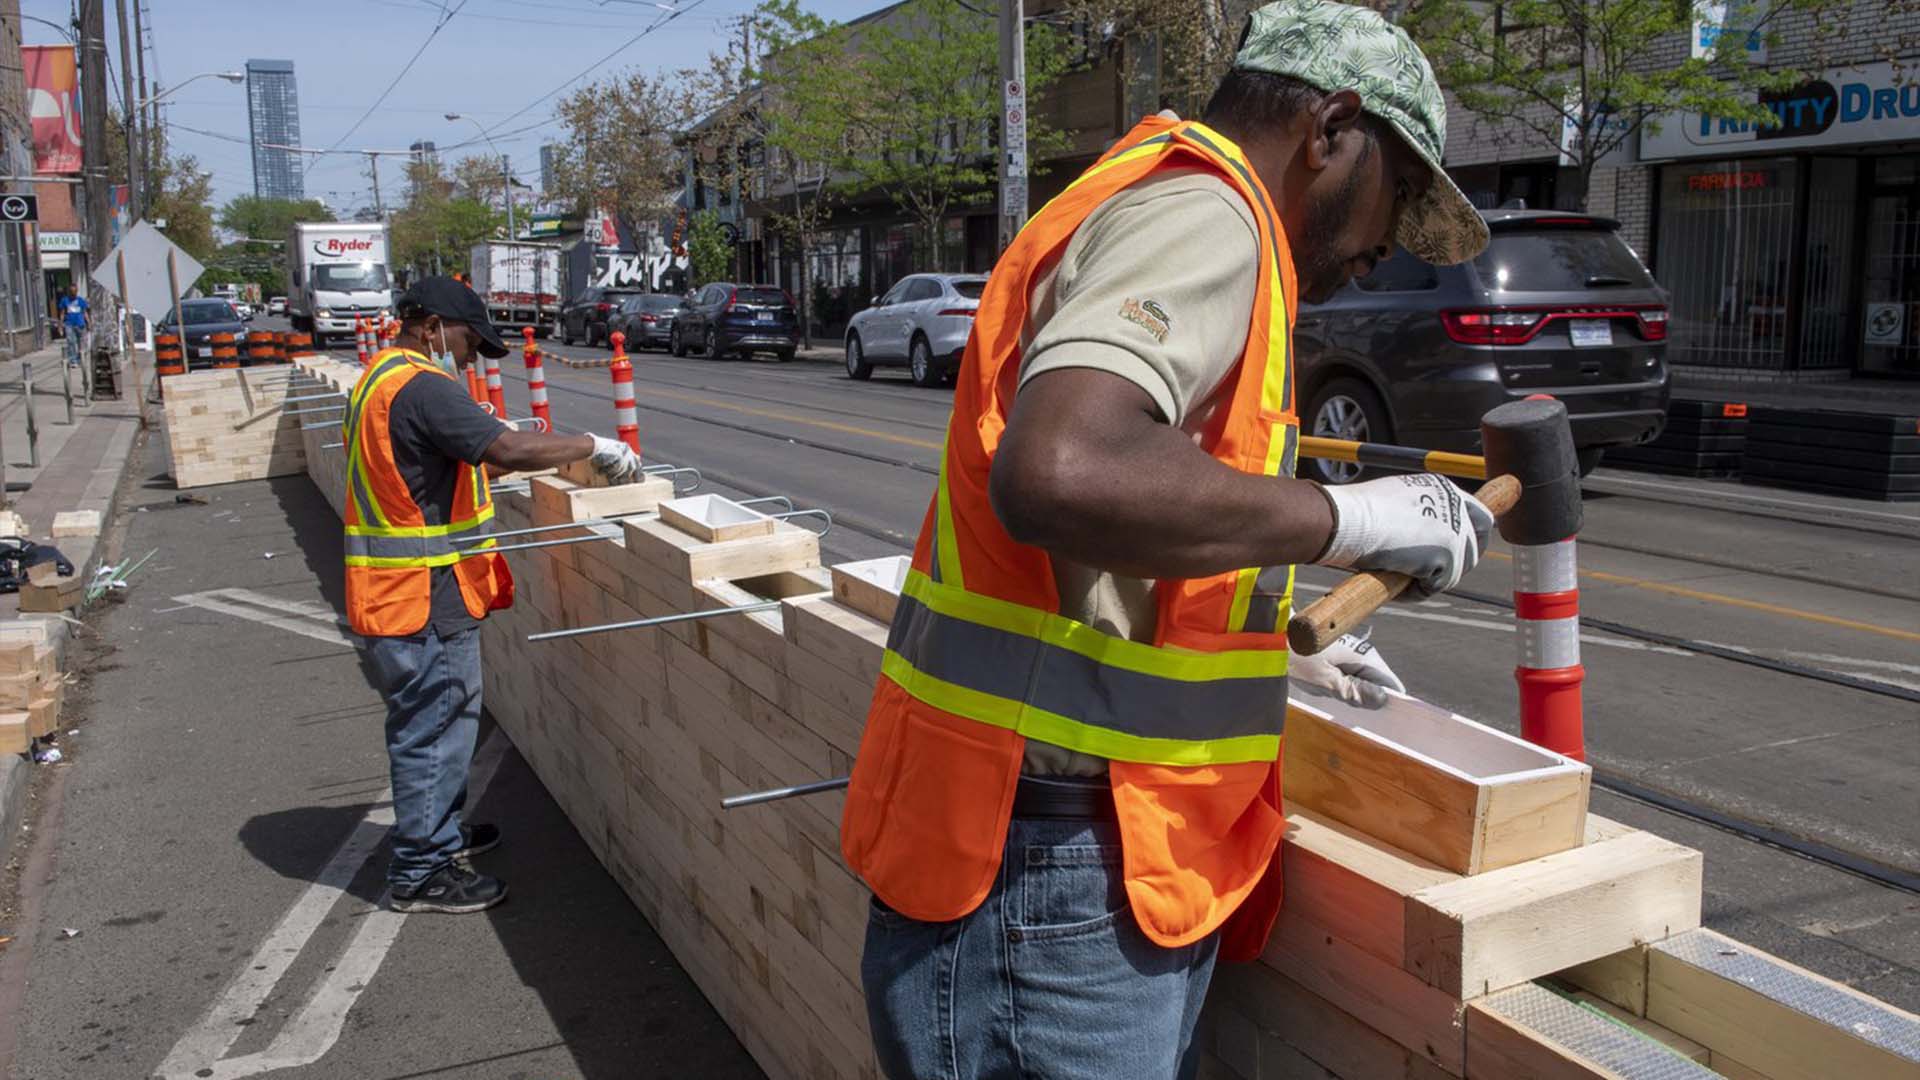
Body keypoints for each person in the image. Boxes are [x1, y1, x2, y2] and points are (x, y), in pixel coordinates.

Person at [841, 2, 1495, 1076]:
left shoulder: (1168, 200)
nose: (1387, 248)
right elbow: (1063, 470)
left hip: (1074, 859)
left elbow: (1149, 507)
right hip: (1047, 871)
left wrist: (1279, 625)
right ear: (1331, 130)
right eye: (1402, 193)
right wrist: (1348, 519)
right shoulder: (1211, 214)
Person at [342, 276, 643, 914]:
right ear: (430, 328)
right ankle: (421, 870)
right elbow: (501, 447)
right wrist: (594, 446)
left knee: (439, 721)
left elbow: (467, 458)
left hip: (400, 593)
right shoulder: (420, 386)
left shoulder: (380, 377)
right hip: (422, 596)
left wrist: (543, 455)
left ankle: (438, 831)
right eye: (468, 341)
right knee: (437, 726)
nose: (472, 357)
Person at [59, 284, 90, 369]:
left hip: (80, 324)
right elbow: (62, 313)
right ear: (69, 292)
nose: (73, 294)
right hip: (69, 324)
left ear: (77, 291)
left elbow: (85, 312)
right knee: (71, 341)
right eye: (71, 292)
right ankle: (73, 360)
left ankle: (81, 359)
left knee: (82, 343)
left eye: (74, 292)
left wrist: (89, 323)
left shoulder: (81, 300)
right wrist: (61, 325)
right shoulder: (65, 300)